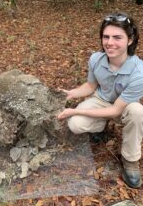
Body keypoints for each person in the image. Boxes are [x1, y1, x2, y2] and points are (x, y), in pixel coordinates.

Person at [58, 13, 143, 189]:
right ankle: (101, 127)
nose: (109, 42)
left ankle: (130, 160)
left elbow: (116, 111)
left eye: (117, 37)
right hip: (101, 100)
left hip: (124, 107)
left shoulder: (139, 72)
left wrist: (75, 110)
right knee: (75, 124)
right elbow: (90, 86)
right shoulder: (96, 59)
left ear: (130, 40)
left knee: (137, 112)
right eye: (106, 37)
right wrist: (71, 94)